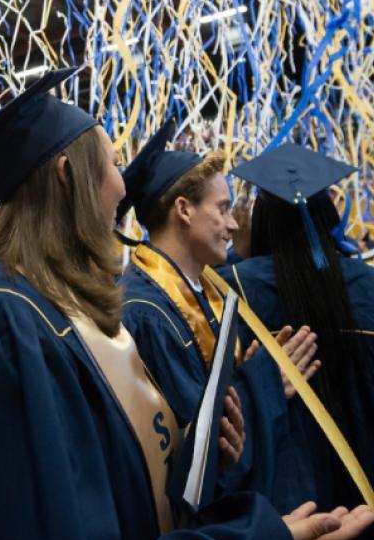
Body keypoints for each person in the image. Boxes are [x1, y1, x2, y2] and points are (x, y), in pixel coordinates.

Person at [0, 67, 372, 540]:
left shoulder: (57, 309)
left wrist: (201, 456)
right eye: (113, 163)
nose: (121, 188)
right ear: (68, 174)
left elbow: (107, 492)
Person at [118, 123, 325, 513]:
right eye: (223, 208)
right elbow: (194, 454)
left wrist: (251, 373)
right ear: (184, 210)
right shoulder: (145, 312)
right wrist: (264, 382)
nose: (234, 225)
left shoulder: (206, 289)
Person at [219, 141, 374, 540]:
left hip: (285, 503)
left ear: (263, 222)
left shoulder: (231, 288)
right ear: (329, 218)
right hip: (364, 484)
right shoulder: (367, 285)